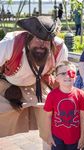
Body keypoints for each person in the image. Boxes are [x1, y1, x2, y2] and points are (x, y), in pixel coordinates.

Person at [0, 16, 68, 149]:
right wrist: (6, 87)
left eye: (46, 41)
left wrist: (64, 97)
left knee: (55, 116)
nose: (42, 45)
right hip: (7, 81)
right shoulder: (10, 44)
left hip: (37, 83)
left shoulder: (59, 47)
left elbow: (64, 74)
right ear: (28, 37)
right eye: (38, 39)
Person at [43, 61, 84, 150]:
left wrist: (82, 137)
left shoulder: (81, 95)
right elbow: (48, 117)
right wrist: (49, 135)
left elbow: (83, 118)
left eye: (71, 73)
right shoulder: (52, 96)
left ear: (75, 77)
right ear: (56, 78)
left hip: (75, 138)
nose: (68, 76)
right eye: (63, 73)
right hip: (57, 137)